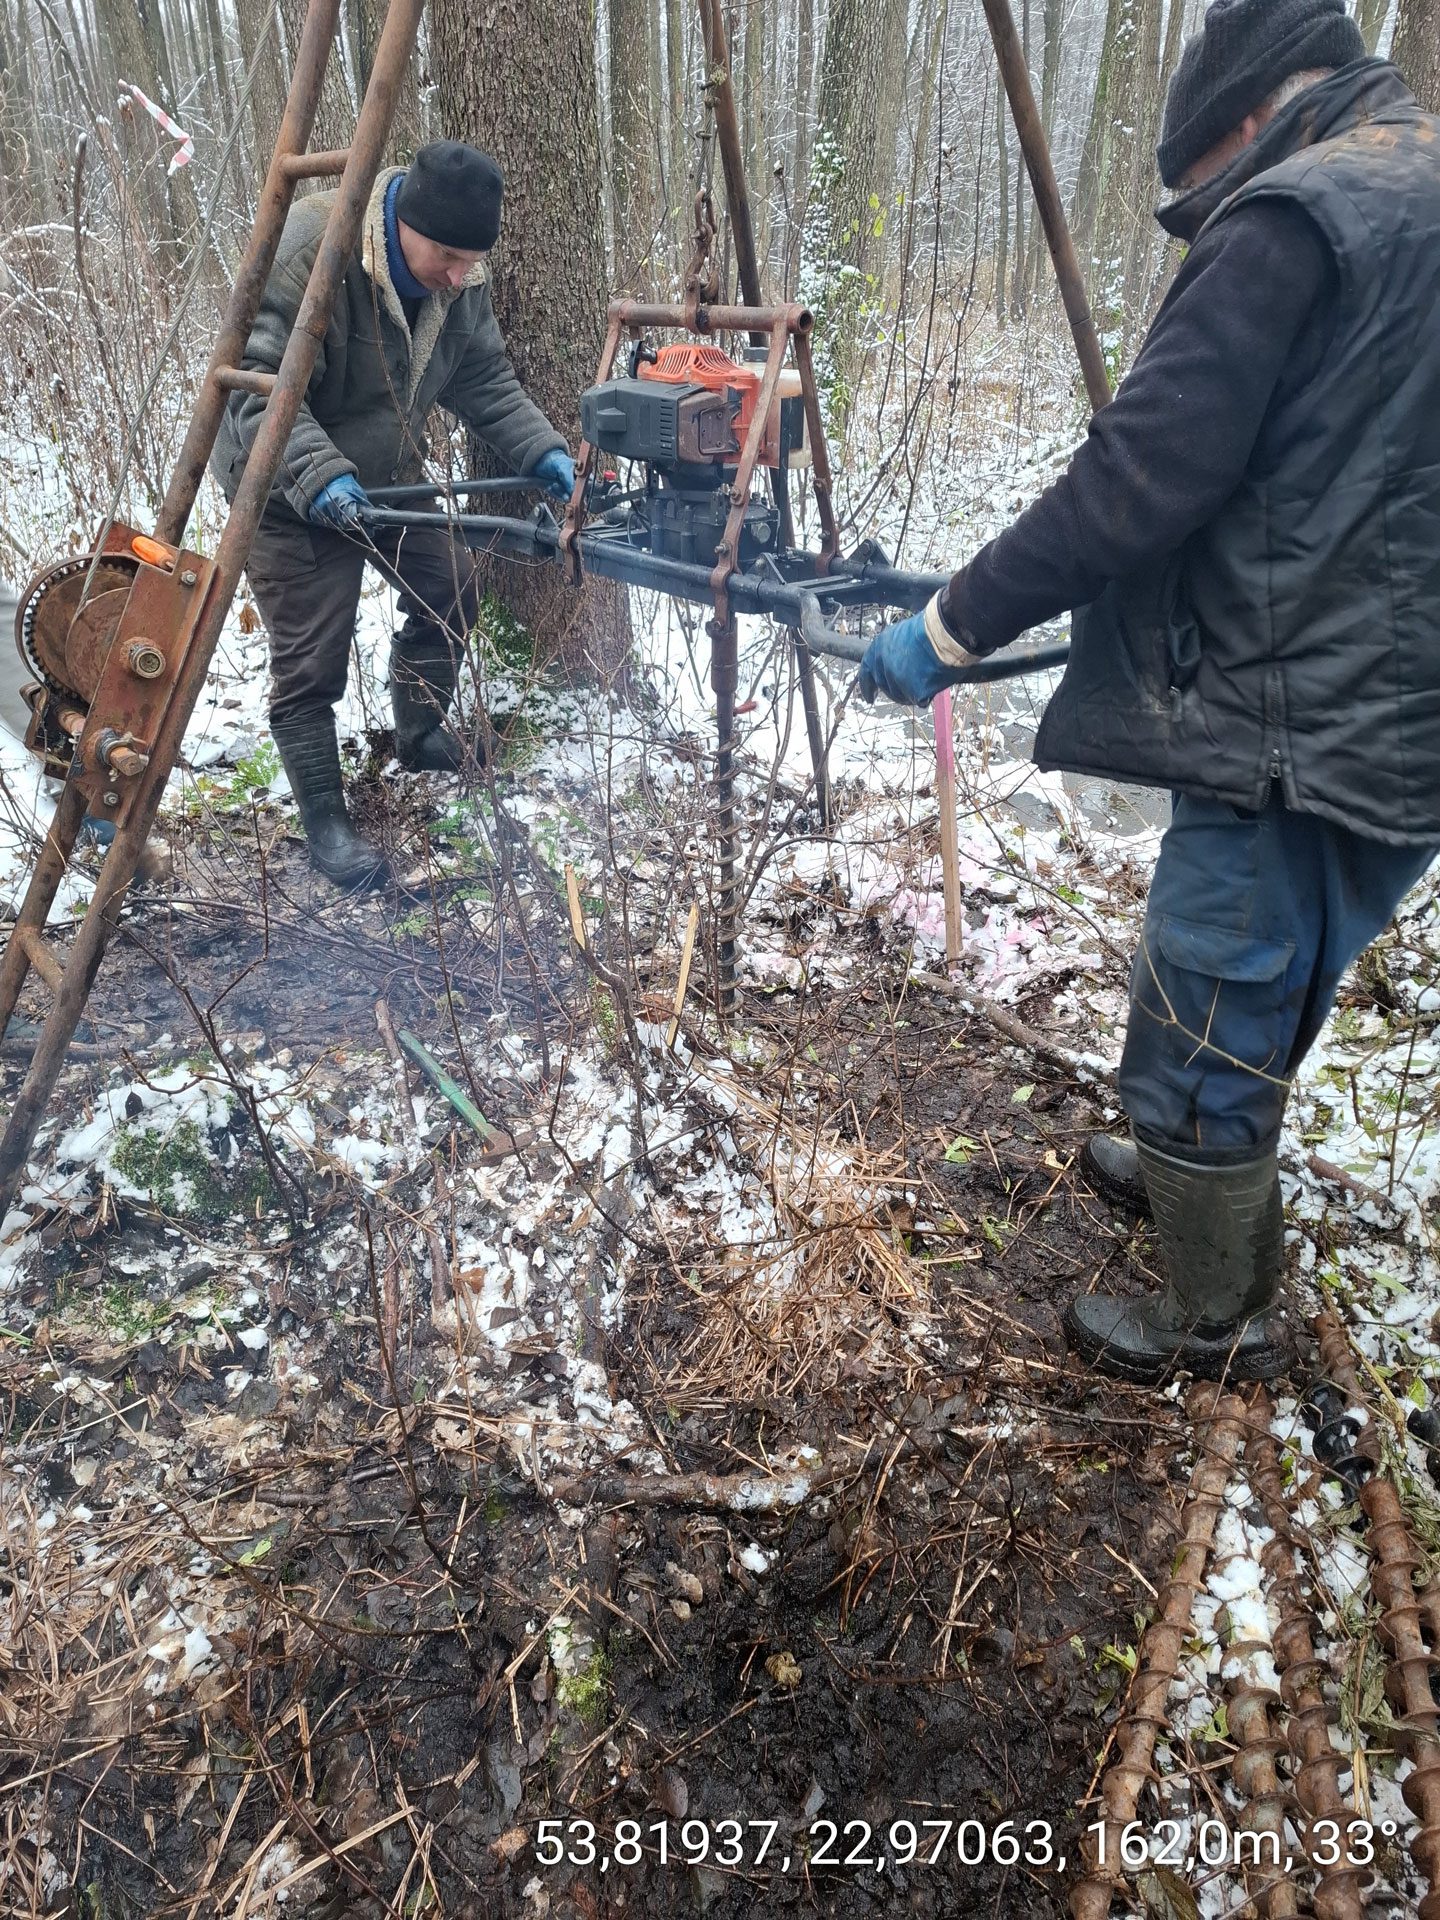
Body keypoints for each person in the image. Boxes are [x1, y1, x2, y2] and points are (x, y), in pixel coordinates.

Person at [857, 0, 1440, 1385]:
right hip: (1399, 701)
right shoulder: (1414, 183)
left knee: (1213, 978)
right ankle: (1204, 1172)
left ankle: (1214, 1312)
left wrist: (949, 627)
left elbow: (1138, 478)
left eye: (1198, 181)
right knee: (1285, 953)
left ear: (1242, 119)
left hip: (1296, 710)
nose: (1201, 205)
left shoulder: (1298, 218)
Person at [213, 141, 575, 889]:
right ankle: (325, 820)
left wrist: (543, 451)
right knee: (313, 656)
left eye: (470, 261)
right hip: (284, 483)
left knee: (454, 583)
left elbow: (485, 380)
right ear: (402, 220)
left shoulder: (457, 281)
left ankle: (417, 730)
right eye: (446, 255)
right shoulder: (317, 247)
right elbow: (257, 393)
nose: (457, 274)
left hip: (388, 480)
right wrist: (318, 478)